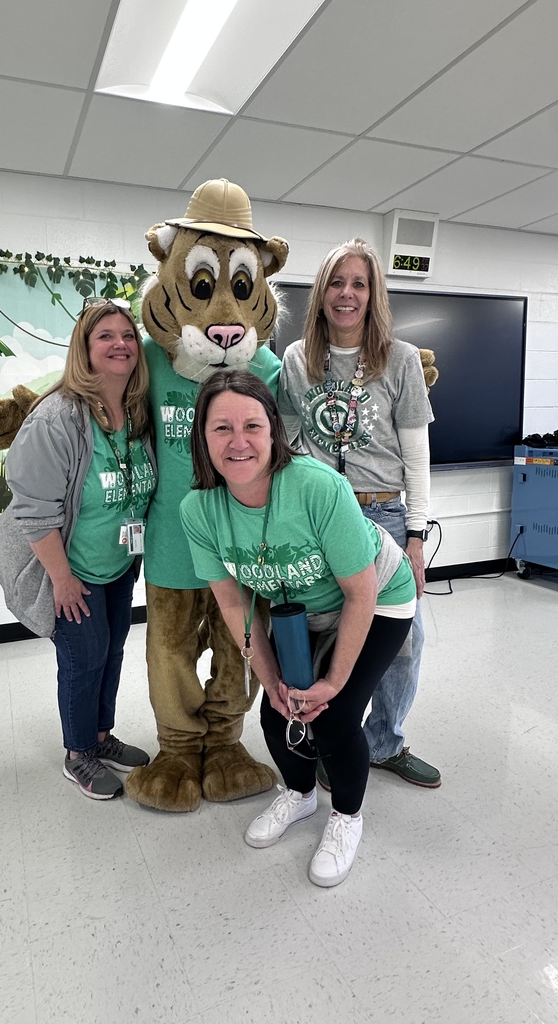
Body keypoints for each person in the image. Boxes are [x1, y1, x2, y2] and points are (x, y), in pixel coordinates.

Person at [179, 370, 416, 887]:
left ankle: (347, 817)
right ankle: (301, 795)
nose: (238, 442)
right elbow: (235, 606)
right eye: (221, 428)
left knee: (333, 717)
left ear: (273, 432)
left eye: (252, 426)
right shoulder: (198, 510)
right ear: (202, 436)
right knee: (278, 713)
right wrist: (270, 681)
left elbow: (361, 593)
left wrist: (332, 683)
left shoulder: (316, 486)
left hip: (378, 598)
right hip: (302, 612)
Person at [278, 238, 441, 788]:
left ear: (374, 296)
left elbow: (416, 456)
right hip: (323, 518)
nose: (346, 294)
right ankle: (334, 737)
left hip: (386, 515)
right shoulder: (299, 360)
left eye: (359, 284)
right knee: (329, 630)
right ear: (322, 293)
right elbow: (289, 443)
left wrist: (416, 536)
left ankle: (386, 742)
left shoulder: (400, 359)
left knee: (403, 638)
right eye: (336, 282)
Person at [0, 299, 156, 800]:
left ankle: (101, 737)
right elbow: (35, 510)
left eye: (127, 335)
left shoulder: (134, 411)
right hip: (72, 569)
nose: (120, 344)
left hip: (119, 563)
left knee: (111, 653)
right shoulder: (57, 418)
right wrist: (62, 579)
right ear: (84, 350)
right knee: (83, 657)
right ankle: (78, 753)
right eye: (105, 336)